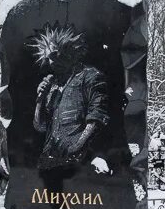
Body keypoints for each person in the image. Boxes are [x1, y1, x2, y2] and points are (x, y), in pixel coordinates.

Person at [32, 25, 110, 173]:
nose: (51, 62)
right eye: (48, 58)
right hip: (49, 160)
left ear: (68, 51)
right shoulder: (52, 85)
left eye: (55, 55)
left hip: (80, 161)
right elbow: (40, 126)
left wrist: (76, 148)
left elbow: (97, 117)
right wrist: (40, 100)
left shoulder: (90, 76)